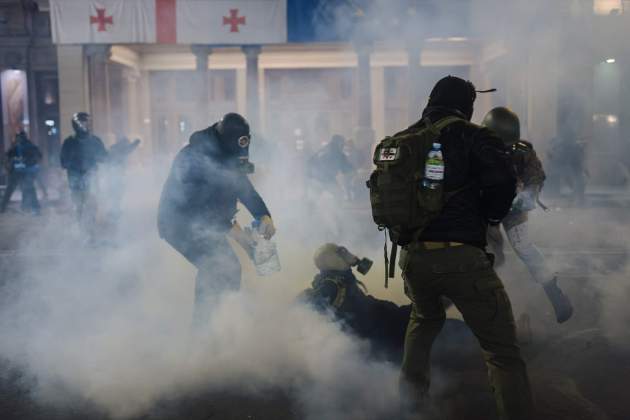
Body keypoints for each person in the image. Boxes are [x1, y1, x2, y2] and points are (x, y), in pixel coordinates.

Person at [394, 76, 533, 419]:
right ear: (467, 106)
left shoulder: (402, 139)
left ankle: (409, 407)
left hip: (413, 258)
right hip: (462, 258)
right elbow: (502, 184)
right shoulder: (475, 136)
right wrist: (490, 215)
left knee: (423, 321)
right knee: (502, 352)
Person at [158, 113, 276, 326]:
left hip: (207, 221)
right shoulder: (194, 158)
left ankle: (224, 325)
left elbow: (243, 188)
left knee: (230, 269)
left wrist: (263, 215)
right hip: (178, 223)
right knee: (215, 266)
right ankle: (203, 331)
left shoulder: (226, 153)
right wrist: (238, 234)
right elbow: (201, 209)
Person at [482, 107, 573, 324]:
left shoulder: (522, 150)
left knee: (524, 248)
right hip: (486, 208)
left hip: (513, 207)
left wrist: (527, 195)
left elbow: (536, 176)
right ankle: (491, 309)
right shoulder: (477, 147)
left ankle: (554, 293)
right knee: (490, 256)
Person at [299, 243, 410, 362]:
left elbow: (359, 301)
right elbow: (315, 312)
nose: (347, 255)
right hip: (365, 334)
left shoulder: (341, 278)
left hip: (370, 320)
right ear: (332, 259)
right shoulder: (331, 284)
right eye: (342, 253)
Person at [60, 112, 108, 240]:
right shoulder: (69, 142)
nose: (85, 125)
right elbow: (63, 162)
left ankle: (89, 230)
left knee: (91, 204)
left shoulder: (95, 141)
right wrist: (74, 165)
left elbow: (104, 157)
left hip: (90, 177)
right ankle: (82, 230)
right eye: (83, 123)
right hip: (76, 178)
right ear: (76, 125)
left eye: (87, 122)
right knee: (79, 205)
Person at [0, 131, 42, 215]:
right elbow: (39, 156)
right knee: (29, 189)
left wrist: (8, 166)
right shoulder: (30, 146)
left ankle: (3, 208)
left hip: (18, 172)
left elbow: (6, 156)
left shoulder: (17, 147)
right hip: (27, 171)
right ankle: (34, 208)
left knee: (11, 190)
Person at [307, 134, 354, 199]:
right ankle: (336, 208)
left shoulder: (324, 149)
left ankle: (311, 206)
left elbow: (311, 161)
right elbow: (345, 167)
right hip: (325, 178)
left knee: (314, 197)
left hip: (317, 178)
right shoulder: (337, 153)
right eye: (342, 143)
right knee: (339, 194)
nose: (343, 145)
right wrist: (352, 170)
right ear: (338, 143)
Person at [107, 136, 141, 220]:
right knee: (117, 195)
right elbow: (129, 149)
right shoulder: (121, 150)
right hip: (116, 176)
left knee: (115, 196)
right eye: (126, 143)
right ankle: (115, 212)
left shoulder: (113, 149)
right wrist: (136, 142)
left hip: (112, 176)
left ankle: (114, 210)